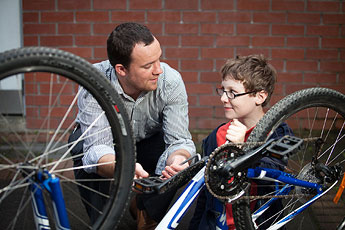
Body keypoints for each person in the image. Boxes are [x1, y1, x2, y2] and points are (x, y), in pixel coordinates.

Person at [69, 22, 196, 229]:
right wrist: (123, 167)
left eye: (159, 59)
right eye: (148, 66)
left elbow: (179, 140)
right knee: (79, 144)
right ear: (121, 69)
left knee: (184, 162)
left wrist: (178, 160)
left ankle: (146, 210)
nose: (158, 71)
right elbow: (96, 148)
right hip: (110, 146)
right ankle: (102, 221)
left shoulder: (171, 81)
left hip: (149, 141)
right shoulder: (95, 81)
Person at [189, 54, 292, 230]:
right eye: (223, 90)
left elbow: (275, 174)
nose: (223, 98)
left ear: (259, 96)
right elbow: (206, 192)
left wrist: (242, 151)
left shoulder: (278, 133)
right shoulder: (218, 135)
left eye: (232, 93)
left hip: (258, 222)